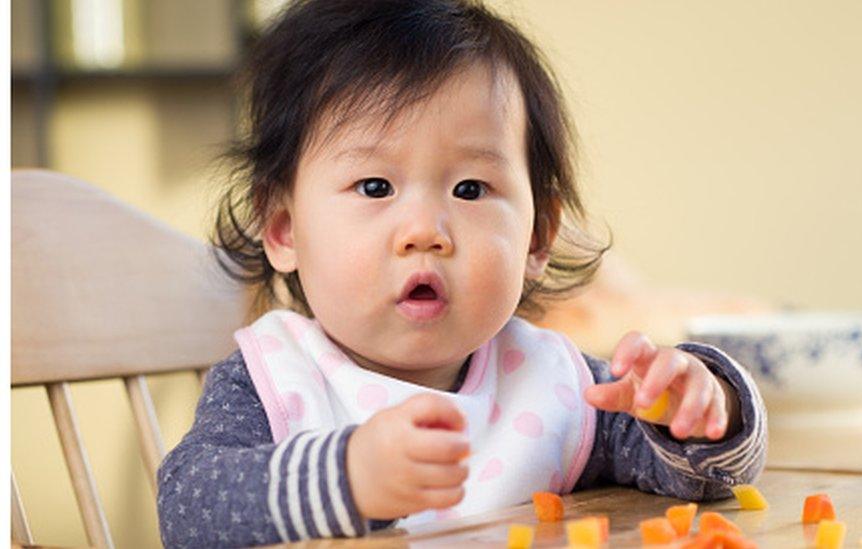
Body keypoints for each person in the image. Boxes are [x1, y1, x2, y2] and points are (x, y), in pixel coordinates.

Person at [156, 0, 768, 546]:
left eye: (470, 188)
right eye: (375, 186)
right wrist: (347, 478)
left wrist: (702, 410)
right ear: (285, 228)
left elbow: (708, 480)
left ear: (537, 235)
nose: (425, 229)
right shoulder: (274, 382)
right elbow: (186, 508)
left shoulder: (554, 383)